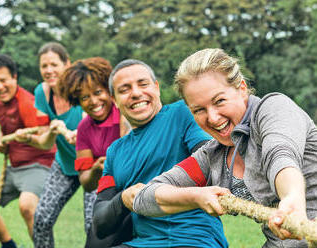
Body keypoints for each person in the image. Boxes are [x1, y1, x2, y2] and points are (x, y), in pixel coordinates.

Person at [133, 48, 317, 248]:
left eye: (219, 101)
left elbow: (281, 156)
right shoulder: (212, 156)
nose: (212, 118)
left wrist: (292, 199)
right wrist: (197, 196)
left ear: (242, 88)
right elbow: (145, 197)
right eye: (199, 110)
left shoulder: (274, 109)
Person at [92, 59, 229, 248]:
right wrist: (123, 199)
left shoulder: (182, 112)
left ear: (156, 87)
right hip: (141, 243)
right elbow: (100, 223)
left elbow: (212, 161)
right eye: (124, 89)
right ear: (114, 101)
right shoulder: (115, 151)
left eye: (143, 84)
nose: (136, 93)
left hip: (194, 239)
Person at [58, 56, 130, 247]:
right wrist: (97, 169)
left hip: (137, 189)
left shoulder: (126, 113)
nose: (93, 101)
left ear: (109, 89)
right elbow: (86, 183)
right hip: (109, 191)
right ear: (77, 101)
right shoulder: (84, 128)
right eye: (84, 97)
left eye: (98, 92)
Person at [28, 42, 93, 248]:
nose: (49, 71)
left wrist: (81, 134)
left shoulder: (83, 89)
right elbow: (42, 142)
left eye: (54, 64)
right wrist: (51, 130)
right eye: (44, 66)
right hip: (65, 165)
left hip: (94, 166)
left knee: (93, 225)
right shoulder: (42, 93)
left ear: (67, 64)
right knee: (41, 219)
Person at [0, 54, 55, 248]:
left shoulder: (28, 103)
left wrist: (27, 138)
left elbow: (46, 142)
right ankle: (9, 245)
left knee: (27, 205)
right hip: (14, 168)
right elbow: (5, 129)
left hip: (39, 165)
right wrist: (2, 141)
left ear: (14, 77)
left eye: (3, 80)